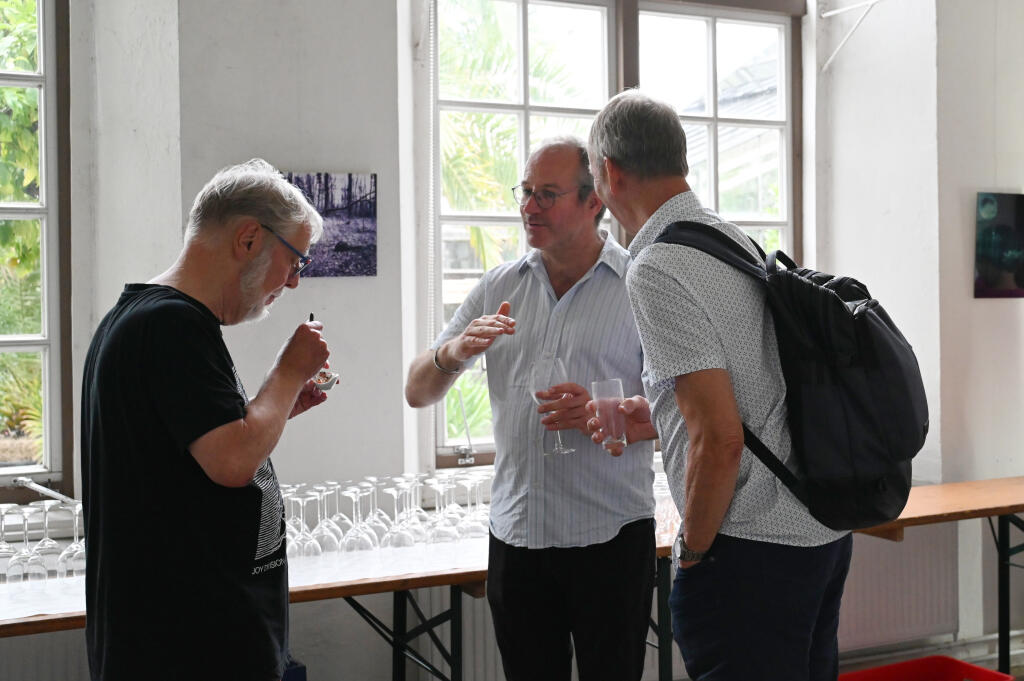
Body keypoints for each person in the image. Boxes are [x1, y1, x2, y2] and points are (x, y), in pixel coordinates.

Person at [586, 90, 852, 681]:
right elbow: (756, 392)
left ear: (610, 172)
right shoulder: (731, 239)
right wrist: (661, 417)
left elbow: (721, 439)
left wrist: (694, 550)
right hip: (819, 531)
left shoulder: (655, 265)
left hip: (753, 549)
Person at [404, 138, 655, 681]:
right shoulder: (498, 286)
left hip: (609, 539)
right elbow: (416, 391)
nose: (528, 207)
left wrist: (611, 412)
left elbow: (684, 411)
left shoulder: (640, 285)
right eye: (525, 192)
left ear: (594, 201)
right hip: (517, 539)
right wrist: (454, 352)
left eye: (547, 194)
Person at [81, 159, 330, 681]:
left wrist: (278, 404)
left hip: (188, 639)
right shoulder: (171, 325)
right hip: (187, 648)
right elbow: (232, 463)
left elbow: (202, 451)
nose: (293, 283)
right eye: (295, 261)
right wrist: (288, 372)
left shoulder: (147, 317)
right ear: (248, 238)